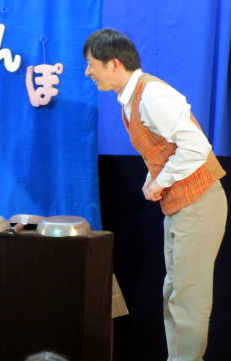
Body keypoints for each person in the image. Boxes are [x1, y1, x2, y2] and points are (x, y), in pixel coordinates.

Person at [83, 28, 227, 361]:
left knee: (188, 300)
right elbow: (164, 148)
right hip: (180, 206)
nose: (88, 72)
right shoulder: (131, 98)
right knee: (173, 294)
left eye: (92, 64)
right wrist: (154, 178)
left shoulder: (151, 96)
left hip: (200, 201)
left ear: (114, 63)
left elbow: (196, 147)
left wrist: (161, 181)